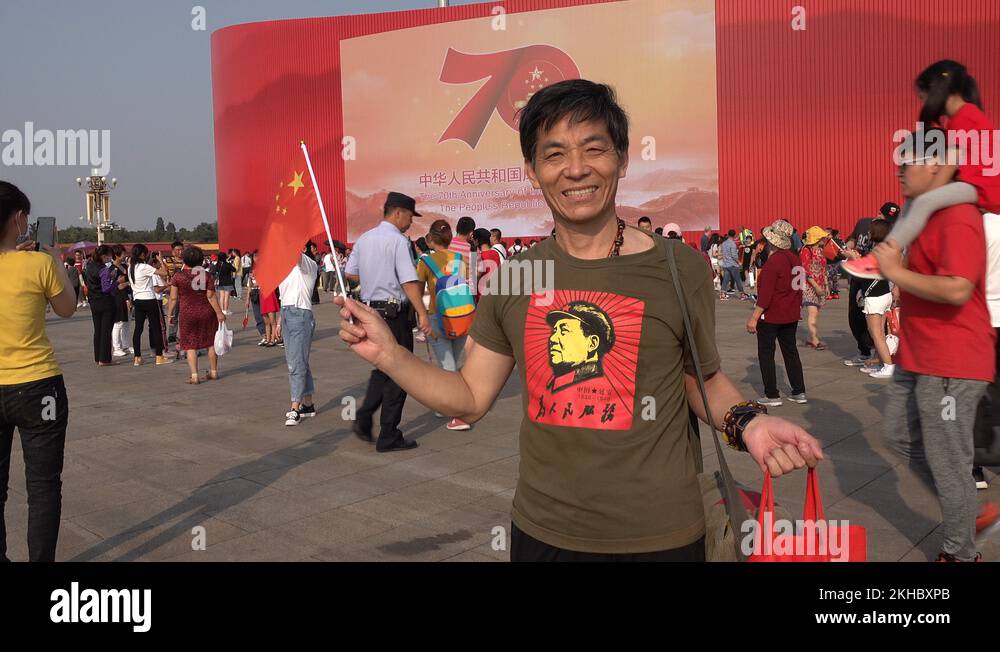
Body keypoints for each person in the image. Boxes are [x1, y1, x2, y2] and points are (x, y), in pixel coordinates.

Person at [337, 79, 823, 561]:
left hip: (663, 534)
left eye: (594, 149)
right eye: (554, 154)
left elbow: (700, 379)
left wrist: (749, 424)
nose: (575, 170)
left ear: (622, 158)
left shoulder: (679, 268)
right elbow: (469, 397)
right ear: (532, 169)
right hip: (544, 532)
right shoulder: (516, 277)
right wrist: (391, 355)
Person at [875, 129, 998, 561]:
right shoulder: (925, 214)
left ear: (935, 165)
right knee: (898, 435)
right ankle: (969, 509)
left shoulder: (958, 216)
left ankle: (961, 551)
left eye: (906, 163)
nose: (900, 171)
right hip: (920, 352)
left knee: (947, 460)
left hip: (952, 359)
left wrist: (895, 272)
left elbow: (957, 289)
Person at [846, 60, 1000, 280]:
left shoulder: (963, 117)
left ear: (938, 90)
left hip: (985, 187)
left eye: (923, 97)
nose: (924, 103)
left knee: (924, 201)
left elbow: (950, 165)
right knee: (918, 202)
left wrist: (927, 198)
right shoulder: (965, 115)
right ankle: (883, 255)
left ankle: (884, 257)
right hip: (978, 183)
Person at [0, 182, 76, 562]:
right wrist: (54, 256)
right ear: (18, 219)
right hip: (37, 387)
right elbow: (67, 307)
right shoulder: (39, 263)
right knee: (43, 486)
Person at [344, 191, 433, 452]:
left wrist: (374, 280)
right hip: (395, 315)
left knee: (382, 368)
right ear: (398, 213)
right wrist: (423, 313)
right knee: (400, 372)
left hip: (372, 313)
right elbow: (408, 281)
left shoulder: (365, 239)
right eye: (409, 216)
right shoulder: (398, 241)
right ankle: (388, 433)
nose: (410, 222)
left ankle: (363, 415)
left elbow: (350, 273)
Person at [416, 220, 472, 431]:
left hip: (437, 318)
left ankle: (458, 412)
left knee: (447, 366)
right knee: (451, 364)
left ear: (431, 239)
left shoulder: (425, 263)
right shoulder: (461, 259)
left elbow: (418, 292)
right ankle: (443, 405)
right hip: (462, 316)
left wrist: (420, 316)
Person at [746, 220, 806, 406]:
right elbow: (799, 287)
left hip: (771, 315)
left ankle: (772, 394)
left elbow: (765, 296)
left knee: (766, 353)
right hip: (791, 313)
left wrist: (753, 318)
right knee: (791, 352)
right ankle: (799, 390)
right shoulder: (796, 259)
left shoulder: (774, 262)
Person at [167, 246, 226, 384]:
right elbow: (211, 296)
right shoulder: (207, 275)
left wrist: (169, 314)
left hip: (187, 313)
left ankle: (194, 375)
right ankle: (214, 371)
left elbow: (173, 298)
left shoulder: (178, 276)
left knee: (190, 345)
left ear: (184, 259)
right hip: (207, 312)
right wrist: (219, 312)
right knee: (211, 342)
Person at [279, 248, 319, 426]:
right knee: (298, 360)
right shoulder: (284, 266)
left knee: (295, 363)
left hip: (300, 314)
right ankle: (308, 404)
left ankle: (295, 407)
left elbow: (295, 254)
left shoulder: (308, 264)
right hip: (287, 312)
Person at [857, 220, 896, 379]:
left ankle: (888, 365)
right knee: (880, 331)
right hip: (884, 292)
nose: (868, 233)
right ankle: (882, 362)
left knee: (876, 333)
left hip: (875, 295)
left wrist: (853, 257)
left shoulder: (877, 250)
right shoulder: (885, 248)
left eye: (870, 231)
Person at [127, 244, 172, 366]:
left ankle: (137, 357)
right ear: (142, 254)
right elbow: (164, 273)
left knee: (138, 329)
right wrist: (160, 260)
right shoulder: (144, 267)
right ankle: (159, 356)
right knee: (156, 327)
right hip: (149, 299)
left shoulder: (131, 267)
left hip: (138, 300)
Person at [84, 245, 116, 366]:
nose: (110, 258)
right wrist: (117, 282)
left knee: (98, 331)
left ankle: (98, 357)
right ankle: (105, 359)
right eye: (108, 255)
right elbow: (106, 288)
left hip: (94, 301)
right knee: (106, 331)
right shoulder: (103, 269)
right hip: (105, 302)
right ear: (103, 256)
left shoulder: (89, 266)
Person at [800, 226, 830, 350]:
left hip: (820, 284)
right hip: (810, 286)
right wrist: (816, 286)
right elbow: (805, 271)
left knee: (815, 313)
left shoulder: (820, 250)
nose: (824, 239)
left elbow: (824, 269)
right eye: (822, 237)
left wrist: (826, 285)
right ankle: (814, 340)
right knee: (812, 313)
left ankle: (810, 337)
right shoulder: (806, 251)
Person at [109, 245, 132, 358]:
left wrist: (127, 284)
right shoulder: (112, 269)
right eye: (123, 253)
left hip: (128, 295)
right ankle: (116, 347)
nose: (125, 255)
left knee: (127, 322)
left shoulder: (125, 266)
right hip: (118, 298)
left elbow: (128, 282)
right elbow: (115, 286)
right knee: (118, 322)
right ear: (117, 255)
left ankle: (126, 345)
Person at [472, 227, 502, 300]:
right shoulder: (495, 253)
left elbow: (475, 278)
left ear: (477, 241)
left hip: (481, 296)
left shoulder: (477, 256)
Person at [720, 229, 749, 300]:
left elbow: (723, 253)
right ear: (734, 235)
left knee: (726, 279)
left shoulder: (724, 243)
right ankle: (742, 294)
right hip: (732, 265)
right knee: (738, 280)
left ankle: (723, 294)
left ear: (728, 234)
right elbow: (734, 255)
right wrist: (738, 262)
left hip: (726, 264)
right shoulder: (732, 244)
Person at [215, 250, 236, 316]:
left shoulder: (217, 265)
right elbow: (234, 269)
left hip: (221, 282)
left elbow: (215, 271)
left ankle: (222, 310)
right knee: (226, 297)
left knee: (221, 297)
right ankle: (226, 310)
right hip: (228, 282)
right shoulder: (227, 264)